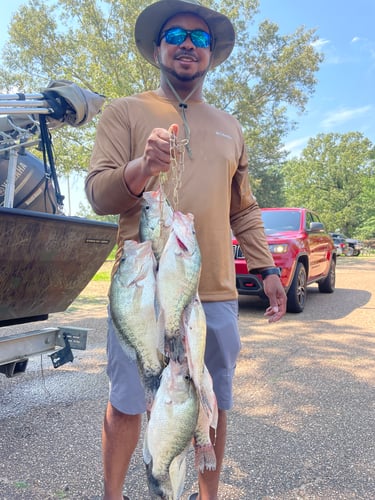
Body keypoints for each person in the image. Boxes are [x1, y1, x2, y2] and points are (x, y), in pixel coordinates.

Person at [85, 1, 287, 498]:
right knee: (128, 400)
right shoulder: (125, 111)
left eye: (200, 39)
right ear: (158, 47)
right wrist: (142, 167)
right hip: (142, 292)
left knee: (211, 402)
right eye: (176, 34)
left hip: (214, 291)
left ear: (211, 56)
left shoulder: (230, 126)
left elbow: (243, 208)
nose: (187, 45)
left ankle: (205, 495)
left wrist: (265, 267)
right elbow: (97, 193)